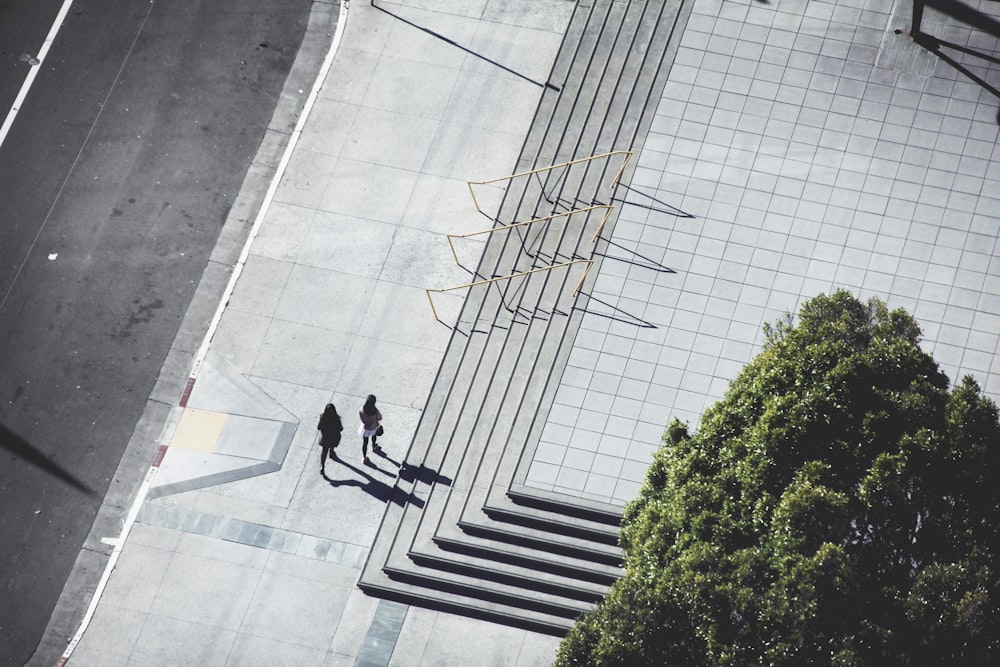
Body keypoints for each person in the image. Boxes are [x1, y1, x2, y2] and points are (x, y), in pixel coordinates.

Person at [317, 403, 343, 474]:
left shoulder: (322, 417)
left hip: (325, 437)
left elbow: (318, 427)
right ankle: (331, 452)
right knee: (332, 445)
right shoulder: (337, 419)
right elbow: (340, 429)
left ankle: (322, 465)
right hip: (334, 437)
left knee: (324, 451)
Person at [358, 394, 382, 463]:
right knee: (374, 436)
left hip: (365, 428)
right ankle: (374, 446)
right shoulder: (375, 411)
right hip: (373, 427)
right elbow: (380, 418)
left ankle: (364, 457)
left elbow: (361, 418)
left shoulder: (362, 409)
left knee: (365, 443)